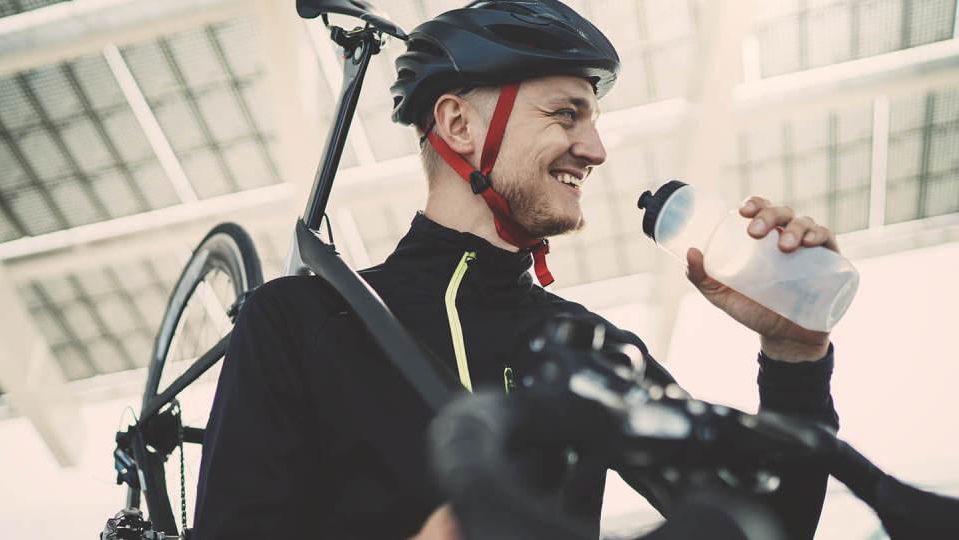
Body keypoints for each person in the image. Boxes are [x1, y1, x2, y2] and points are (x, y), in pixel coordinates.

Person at [193, 1, 840, 539]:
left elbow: (768, 526)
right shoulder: (297, 320)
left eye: (593, 120)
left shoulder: (597, 352)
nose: (595, 149)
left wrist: (794, 359)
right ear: (458, 124)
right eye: (566, 113)